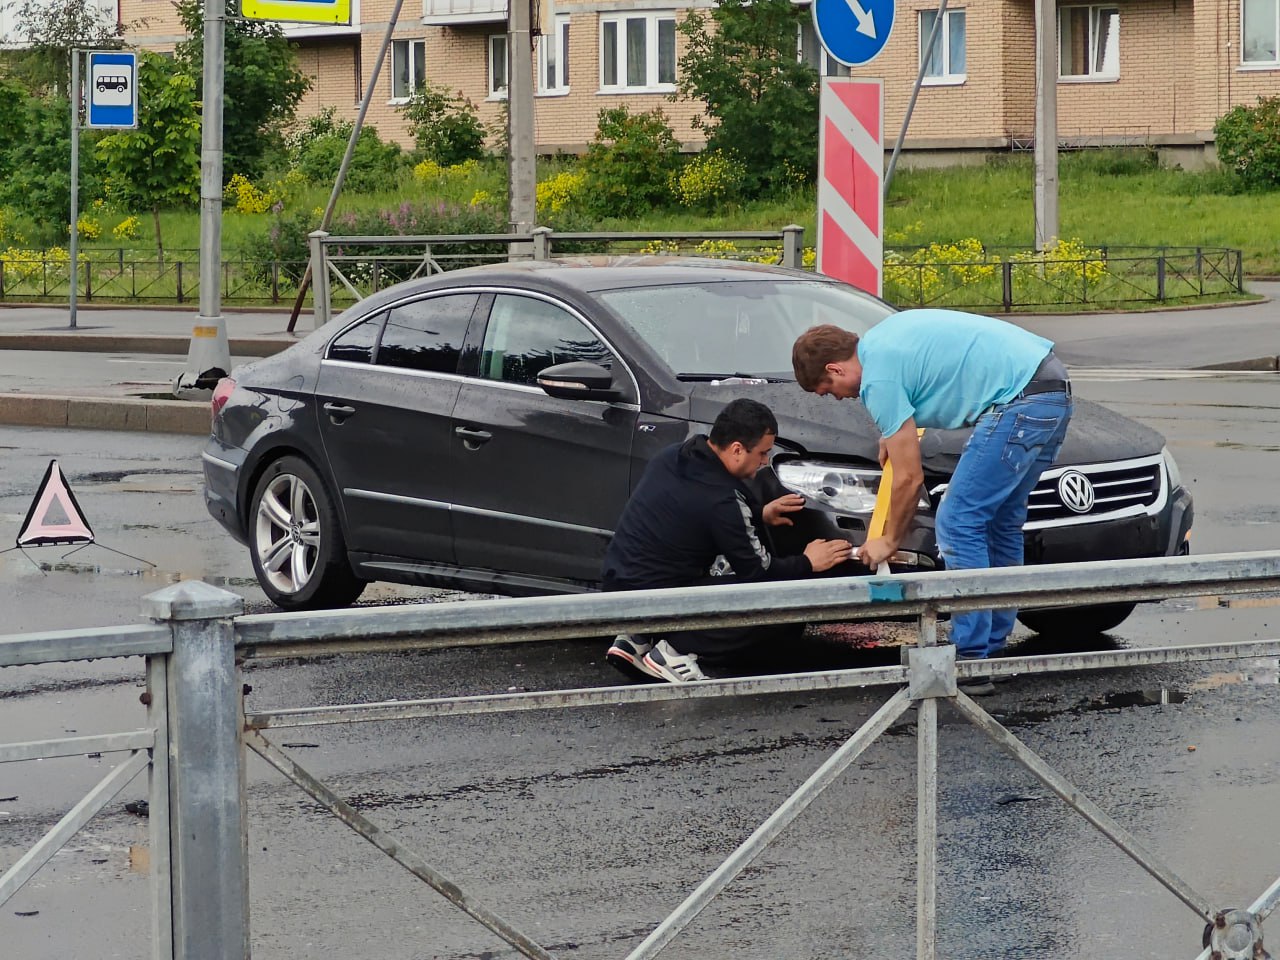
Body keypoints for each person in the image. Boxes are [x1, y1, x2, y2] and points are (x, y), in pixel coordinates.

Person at [791, 310, 1074, 695]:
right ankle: (992, 651)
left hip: (1019, 403)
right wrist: (893, 435)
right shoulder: (883, 341)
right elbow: (931, 380)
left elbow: (909, 478)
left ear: (835, 369)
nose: (840, 398)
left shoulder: (877, 378)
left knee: (958, 521)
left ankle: (970, 658)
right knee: (999, 523)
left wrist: (888, 541)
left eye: (829, 390)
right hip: (1052, 391)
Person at [601, 397, 853, 683]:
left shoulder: (672, 456)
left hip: (619, 587)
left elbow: (697, 516)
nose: (764, 462)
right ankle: (673, 652)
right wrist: (808, 562)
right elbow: (758, 574)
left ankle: (635, 639)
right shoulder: (723, 499)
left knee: (673, 569)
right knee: (776, 598)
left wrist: (759, 514)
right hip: (662, 599)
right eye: (762, 453)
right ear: (736, 449)